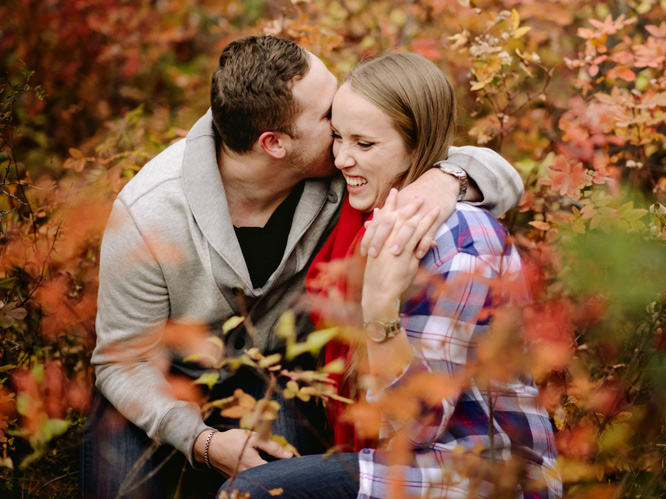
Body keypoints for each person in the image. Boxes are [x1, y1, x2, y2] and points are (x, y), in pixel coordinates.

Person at [83, 36, 524, 499]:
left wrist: (447, 178)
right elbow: (122, 360)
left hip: (277, 374)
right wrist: (202, 441)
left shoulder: (340, 170)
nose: (342, 120)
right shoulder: (149, 213)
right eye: (328, 117)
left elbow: (447, 158)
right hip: (165, 378)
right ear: (274, 144)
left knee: (275, 486)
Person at [218, 53, 560, 499]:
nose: (341, 158)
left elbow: (417, 425)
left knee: (251, 494)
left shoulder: (461, 241)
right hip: (391, 455)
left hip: (477, 470)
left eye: (364, 144)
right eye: (338, 136)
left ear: (418, 146)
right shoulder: (365, 206)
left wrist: (379, 305)